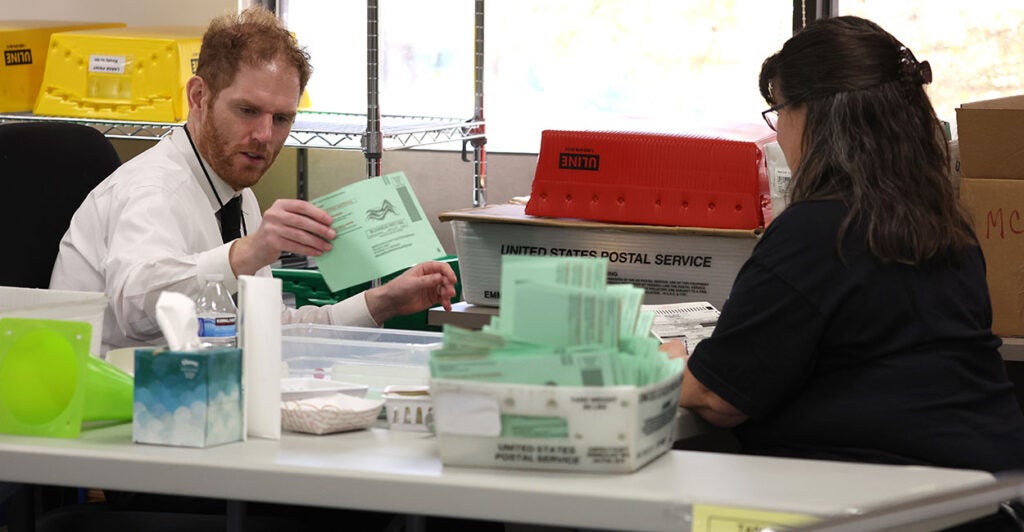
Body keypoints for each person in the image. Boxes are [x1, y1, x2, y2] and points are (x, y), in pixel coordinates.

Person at [671, 15, 1024, 477]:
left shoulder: (818, 230)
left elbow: (719, 399)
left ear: (816, 115)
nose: (778, 133)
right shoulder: (944, 225)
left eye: (779, 111)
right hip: (980, 492)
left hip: (881, 499)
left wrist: (663, 363)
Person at [50, 6, 457, 356]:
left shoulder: (233, 192)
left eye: (282, 119)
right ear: (198, 96)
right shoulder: (152, 190)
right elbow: (138, 312)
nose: (265, 135)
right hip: (103, 416)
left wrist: (384, 301)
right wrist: (249, 251)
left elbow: (272, 332)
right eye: (247, 110)